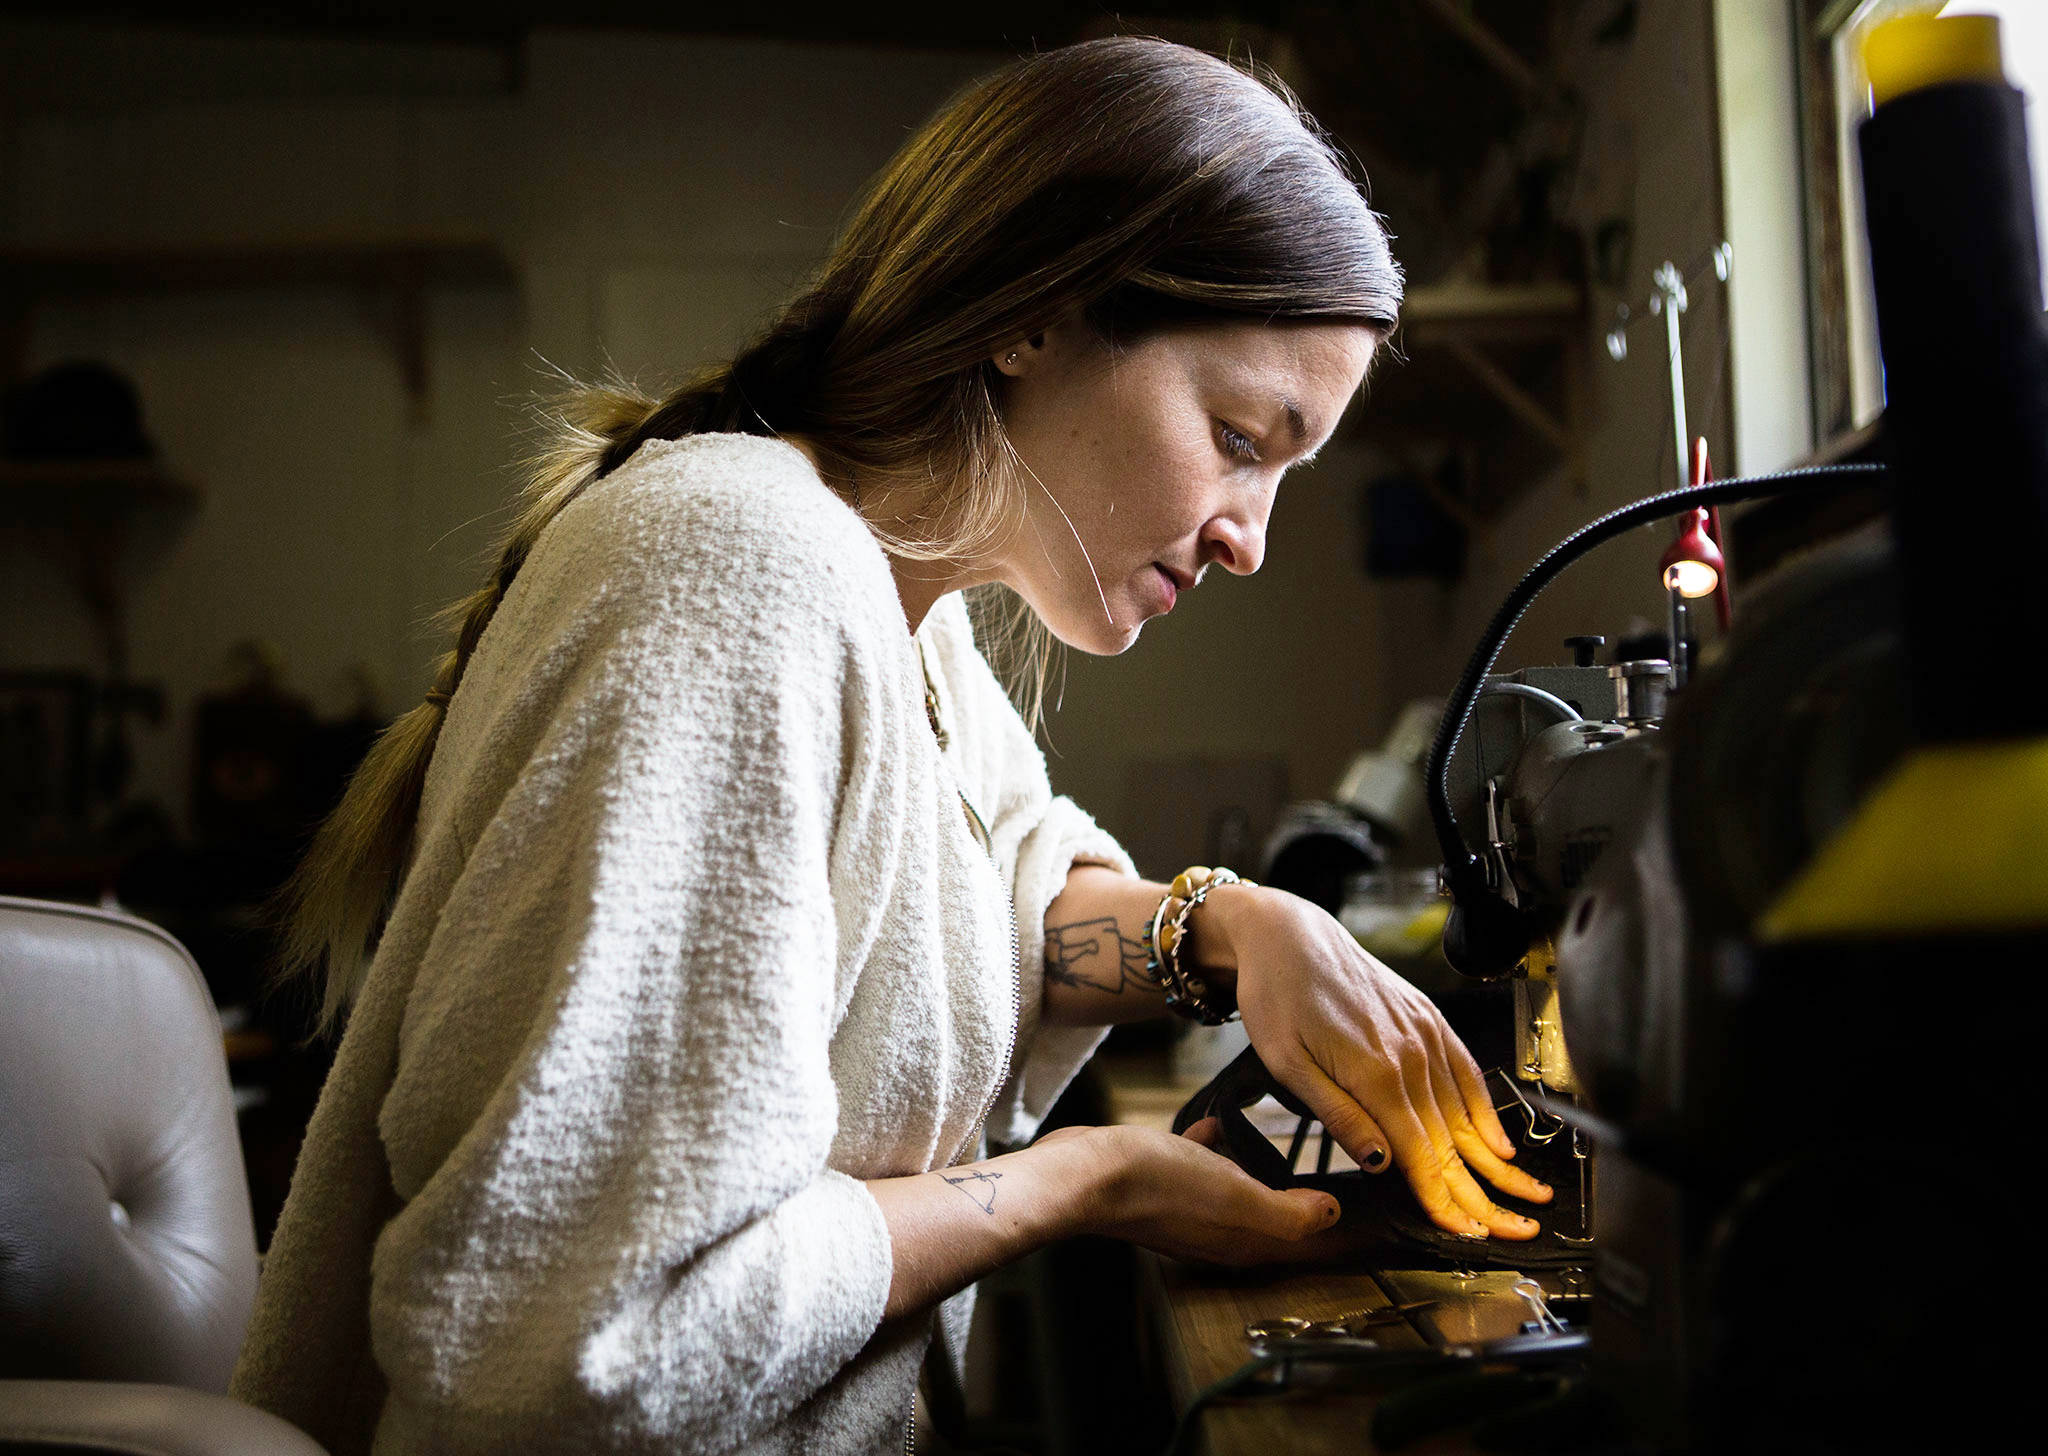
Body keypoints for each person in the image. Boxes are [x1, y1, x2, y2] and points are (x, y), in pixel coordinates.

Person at [231, 34, 1551, 1456]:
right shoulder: (740, 570)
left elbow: (997, 914)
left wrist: (1231, 928)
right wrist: (1084, 1182)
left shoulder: (900, 609)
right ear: (1039, 313)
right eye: (1239, 435)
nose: (1250, 537)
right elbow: (580, 1344)